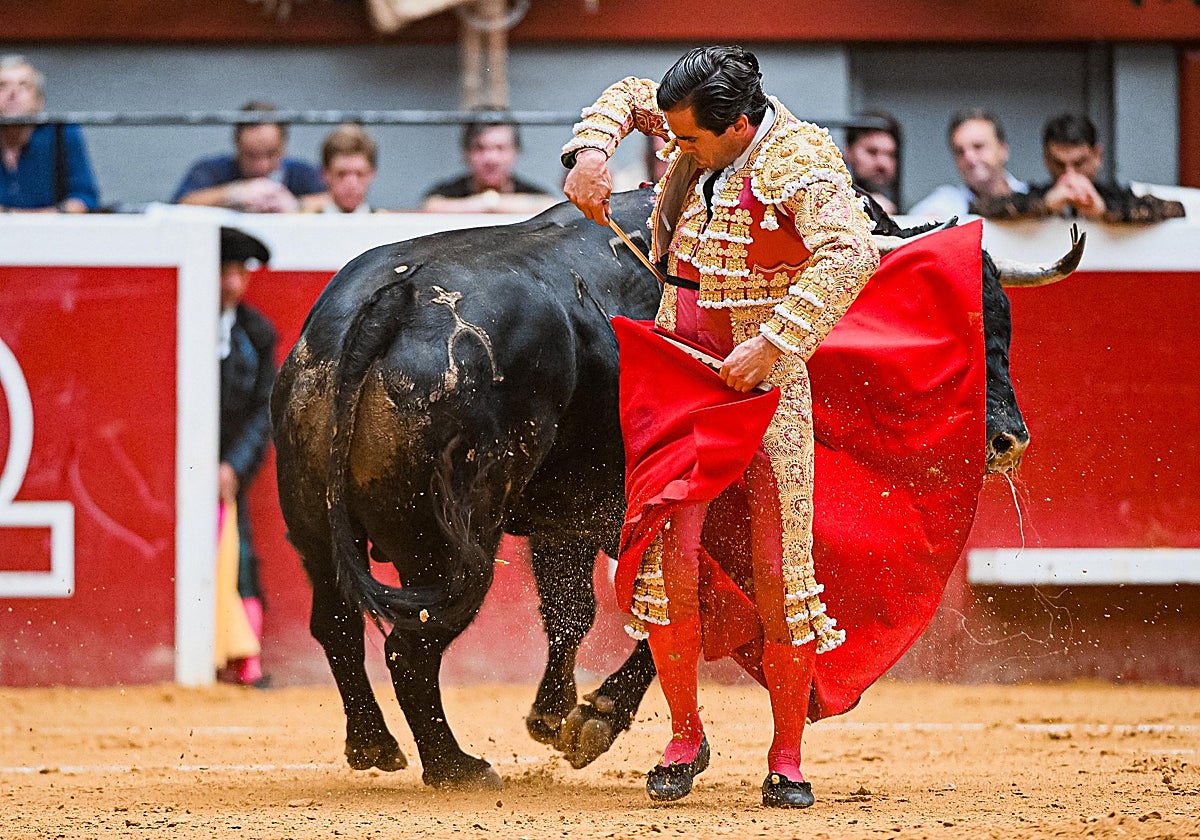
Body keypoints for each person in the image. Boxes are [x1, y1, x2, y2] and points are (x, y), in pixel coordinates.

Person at [563, 46, 880, 809]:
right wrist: (591, 152)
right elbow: (631, 92)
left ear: (739, 125)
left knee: (779, 571)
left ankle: (786, 753)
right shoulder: (695, 123)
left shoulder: (800, 160)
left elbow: (851, 252)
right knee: (671, 558)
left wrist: (774, 341)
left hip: (765, 383)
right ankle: (683, 733)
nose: (676, 151)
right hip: (680, 368)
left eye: (692, 142)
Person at [218, 226, 278, 687]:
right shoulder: (188, 322)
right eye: (225, 269)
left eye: (240, 270)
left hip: (228, 468)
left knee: (238, 553)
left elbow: (265, 411)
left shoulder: (256, 333)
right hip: (184, 466)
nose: (232, 281)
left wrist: (234, 466)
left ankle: (244, 659)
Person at [971, 113, 1185, 222]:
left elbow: (1177, 209)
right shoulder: (1035, 197)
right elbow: (979, 208)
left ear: (1097, 156)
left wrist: (1104, 211)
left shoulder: (1116, 197)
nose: (1069, 175)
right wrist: (1045, 205)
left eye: (1079, 163)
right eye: (1059, 164)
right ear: (1046, 159)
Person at [172, 101, 323, 212]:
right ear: (237, 145)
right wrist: (233, 192)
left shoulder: (301, 172)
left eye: (271, 154)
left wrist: (296, 204)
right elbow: (181, 205)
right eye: (251, 155)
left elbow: (332, 200)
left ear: (284, 147)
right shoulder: (211, 169)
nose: (261, 165)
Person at [0, 55, 100, 213]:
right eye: (3, 86)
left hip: (54, 233)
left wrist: (31, 219)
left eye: (24, 85)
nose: (12, 93)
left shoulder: (63, 133)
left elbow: (85, 198)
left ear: (39, 101)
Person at [908, 107, 1027, 219]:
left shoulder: (1032, 198)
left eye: (978, 146)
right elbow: (911, 222)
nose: (969, 158)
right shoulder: (946, 203)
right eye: (960, 151)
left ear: (1003, 150)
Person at [422, 117, 556, 214]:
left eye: (500, 148)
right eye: (480, 148)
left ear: (516, 151)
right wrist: (486, 202)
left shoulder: (534, 192)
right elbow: (431, 206)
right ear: (466, 153)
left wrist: (492, 202)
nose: (491, 159)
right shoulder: (446, 193)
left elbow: (552, 207)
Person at [301, 124, 379, 214]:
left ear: (372, 174)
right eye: (341, 174)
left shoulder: (388, 224)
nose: (351, 184)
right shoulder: (301, 224)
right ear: (325, 174)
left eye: (359, 174)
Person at [842, 110, 900, 214]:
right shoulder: (826, 199)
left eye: (891, 154)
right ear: (848, 151)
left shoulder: (902, 204)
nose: (883, 164)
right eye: (872, 152)